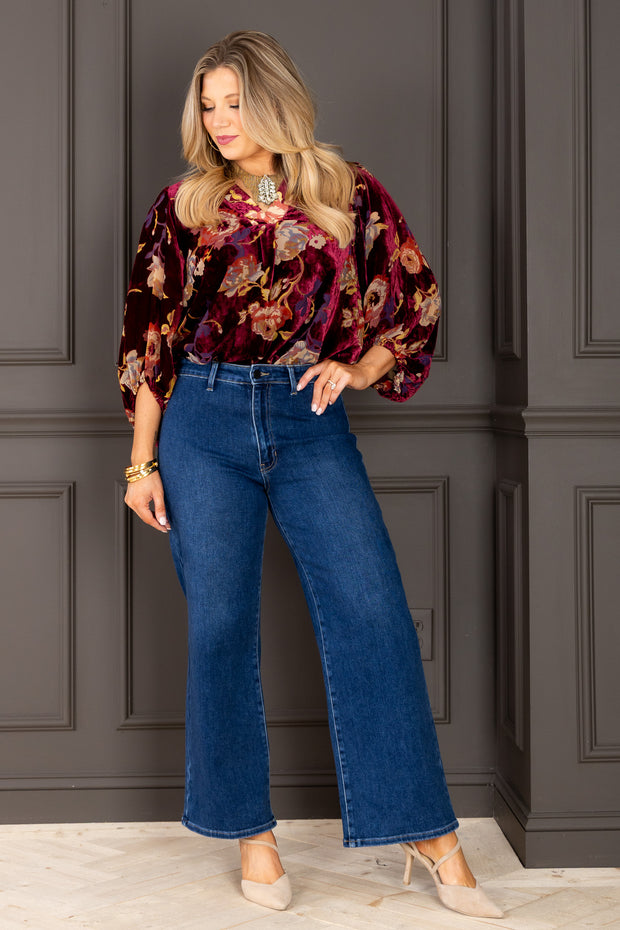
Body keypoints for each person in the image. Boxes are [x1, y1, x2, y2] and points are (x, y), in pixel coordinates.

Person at [117, 30, 503, 920]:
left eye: (235, 102)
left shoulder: (344, 191)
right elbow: (150, 339)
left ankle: (427, 833)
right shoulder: (182, 205)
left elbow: (415, 299)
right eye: (208, 105)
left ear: (274, 101)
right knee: (221, 624)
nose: (220, 120)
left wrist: (359, 368)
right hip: (202, 419)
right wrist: (141, 462)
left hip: (307, 417)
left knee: (371, 609)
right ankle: (252, 835)